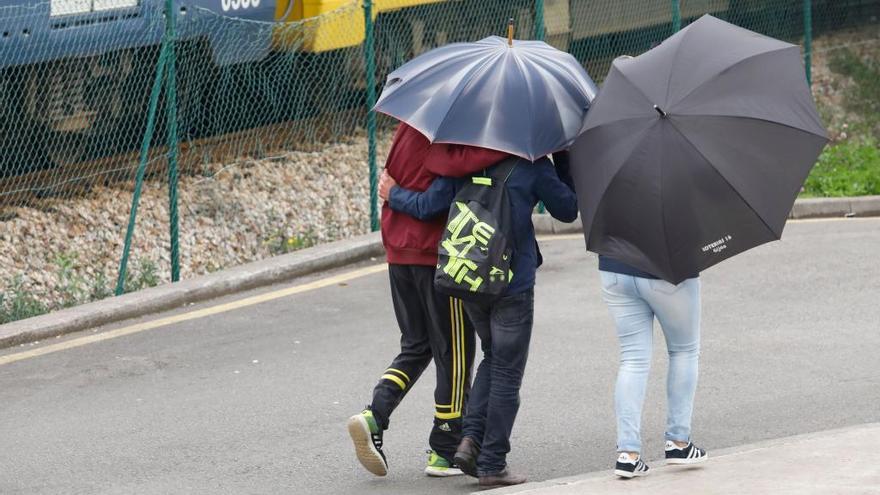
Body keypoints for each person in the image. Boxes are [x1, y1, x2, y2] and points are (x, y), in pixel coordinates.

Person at [381, 151, 578, 488]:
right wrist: (563, 160)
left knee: (492, 357)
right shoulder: (533, 167)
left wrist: (393, 193)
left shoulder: (462, 160)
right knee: (507, 372)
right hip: (512, 283)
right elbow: (567, 209)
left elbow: (428, 206)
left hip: (471, 279)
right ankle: (492, 461)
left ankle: (470, 441)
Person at [347, 122, 507, 478]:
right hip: (435, 258)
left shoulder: (406, 128)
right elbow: (436, 201)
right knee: (455, 353)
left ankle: (375, 413)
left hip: (399, 255)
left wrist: (395, 195)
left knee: (417, 345)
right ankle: (445, 449)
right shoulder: (449, 136)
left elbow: (389, 185)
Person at [597, 255, 708, 478]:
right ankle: (678, 441)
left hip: (614, 269)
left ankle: (627, 454)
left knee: (632, 359)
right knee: (683, 351)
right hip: (668, 269)